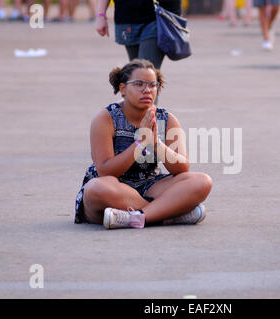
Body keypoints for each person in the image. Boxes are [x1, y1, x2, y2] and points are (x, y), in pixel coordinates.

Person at [74, 59, 213, 229]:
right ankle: (166, 212)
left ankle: (136, 217)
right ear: (123, 88)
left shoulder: (167, 119)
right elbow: (104, 170)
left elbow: (182, 168)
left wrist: (156, 144)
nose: (147, 90)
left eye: (152, 85)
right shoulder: (106, 118)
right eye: (139, 84)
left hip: (150, 185)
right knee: (96, 188)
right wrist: (140, 143)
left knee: (202, 181)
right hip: (114, 188)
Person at [95, 0, 182, 70]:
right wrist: (100, 15)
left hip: (158, 16)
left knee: (144, 72)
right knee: (135, 74)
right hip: (127, 17)